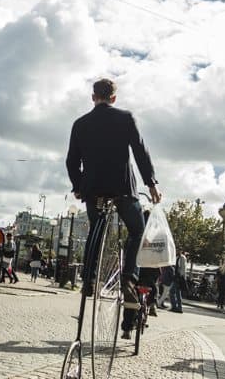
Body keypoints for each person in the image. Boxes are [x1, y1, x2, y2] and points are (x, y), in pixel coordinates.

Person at [66, 78, 161, 307]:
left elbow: (71, 161)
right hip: (122, 188)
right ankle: (129, 278)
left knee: (95, 233)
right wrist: (151, 183)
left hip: (93, 189)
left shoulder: (80, 123)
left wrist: (78, 187)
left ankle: (88, 279)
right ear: (114, 98)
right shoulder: (125, 118)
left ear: (93, 97)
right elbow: (140, 151)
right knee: (138, 231)